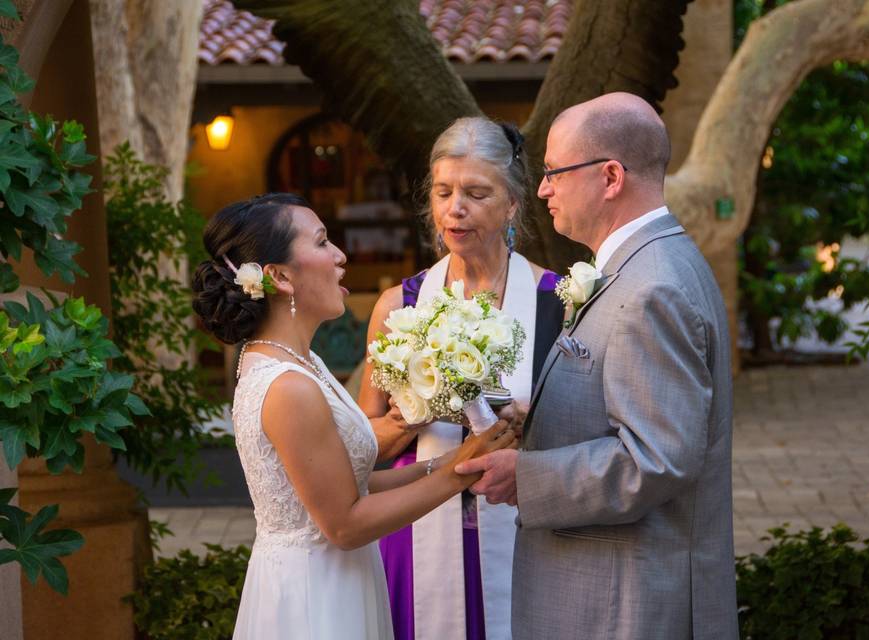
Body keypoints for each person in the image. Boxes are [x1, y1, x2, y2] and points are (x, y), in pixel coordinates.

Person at [456, 93, 740, 639]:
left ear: (610, 177)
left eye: (554, 172)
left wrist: (528, 475)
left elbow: (655, 458)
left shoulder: (650, 286)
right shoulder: (652, 263)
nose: (542, 189)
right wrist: (532, 416)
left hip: (623, 604)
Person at [191, 193, 515, 639]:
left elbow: (350, 481)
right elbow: (345, 523)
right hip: (314, 593)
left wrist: (454, 459)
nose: (341, 256)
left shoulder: (302, 362)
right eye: (323, 243)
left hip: (337, 575)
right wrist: (459, 477)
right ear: (280, 276)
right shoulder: (289, 386)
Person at [358, 118, 564, 640]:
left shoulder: (556, 304)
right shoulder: (399, 307)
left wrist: (528, 423)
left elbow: (584, 430)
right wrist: (411, 416)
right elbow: (361, 448)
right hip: (417, 531)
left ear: (513, 203)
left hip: (523, 531)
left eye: (476, 193)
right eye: (444, 192)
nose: (456, 208)